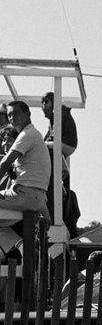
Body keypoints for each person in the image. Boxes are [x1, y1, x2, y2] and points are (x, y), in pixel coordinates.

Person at [0, 101, 51, 256]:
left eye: (15, 113)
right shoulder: (34, 135)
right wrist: (47, 216)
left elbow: (5, 163)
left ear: (28, 114)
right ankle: (22, 247)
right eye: (9, 115)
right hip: (35, 199)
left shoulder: (27, 134)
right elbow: (36, 185)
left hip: (24, 196)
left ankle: (4, 254)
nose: (12, 117)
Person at [41, 92, 80, 237]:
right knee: (46, 146)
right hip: (66, 145)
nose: (43, 106)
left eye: (45, 102)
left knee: (44, 147)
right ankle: (60, 175)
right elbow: (49, 135)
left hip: (67, 144)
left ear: (51, 102)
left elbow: (53, 135)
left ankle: (58, 174)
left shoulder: (58, 114)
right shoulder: (57, 115)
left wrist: (43, 142)